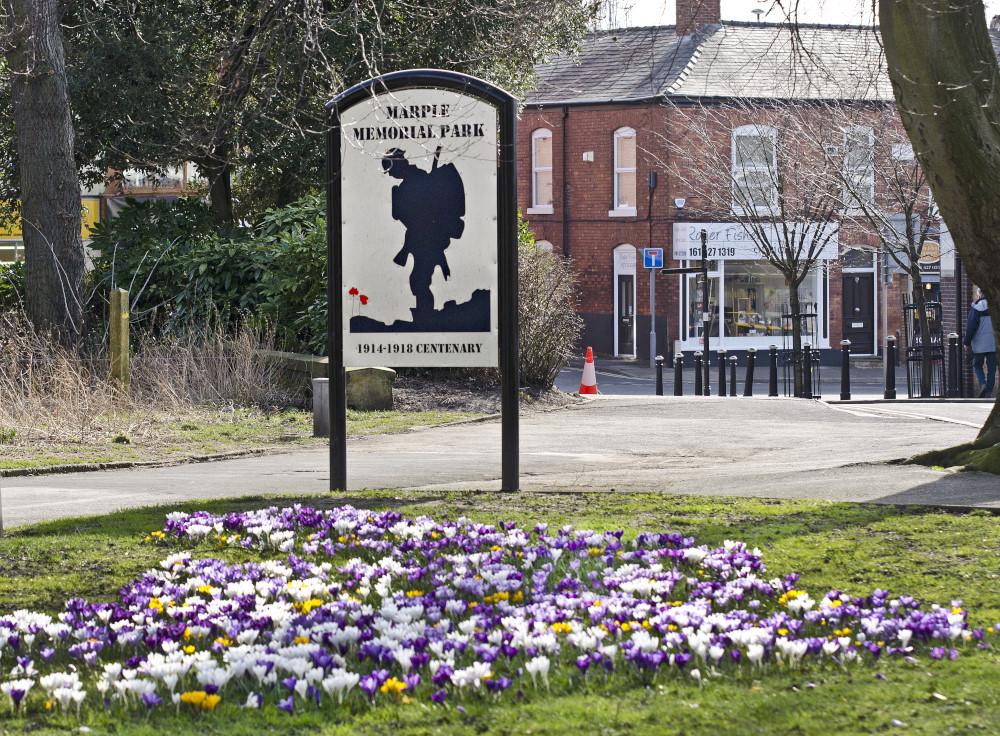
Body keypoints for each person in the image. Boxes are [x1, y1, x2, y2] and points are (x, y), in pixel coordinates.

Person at [380, 147, 465, 318]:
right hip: (420, 240)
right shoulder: (413, 182)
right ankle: (424, 316)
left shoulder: (418, 182)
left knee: (419, 281)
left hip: (426, 240)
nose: (389, 175)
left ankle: (425, 318)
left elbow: (426, 219)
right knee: (419, 281)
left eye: (390, 170)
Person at [963, 289, 997, 397]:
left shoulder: (976, 308)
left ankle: (983, 383)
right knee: (992, 367)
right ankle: (989, 391)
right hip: (993, 344)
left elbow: (971, 327)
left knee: (977, 365)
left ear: (980, 293)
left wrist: (966, 342)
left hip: (979, 344)